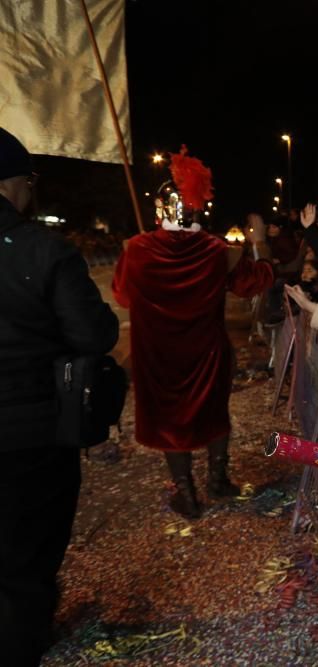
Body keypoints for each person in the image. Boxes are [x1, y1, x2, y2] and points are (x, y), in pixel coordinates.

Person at [0, 127, 119, 665]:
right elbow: (94, 335)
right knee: (28, 557)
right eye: (29, 179)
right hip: (33, 434)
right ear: (11, 185)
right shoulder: (42, 251)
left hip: (30, 429)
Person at [112, 147, 274, 520]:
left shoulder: (137, 250)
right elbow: (257, 280)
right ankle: (218, 481)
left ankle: (188, 494)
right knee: (214, 415)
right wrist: (261, 242)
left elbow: (122, 294)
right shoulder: (216, 250)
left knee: (171, 425)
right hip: (207, 354)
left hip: (158, 358)